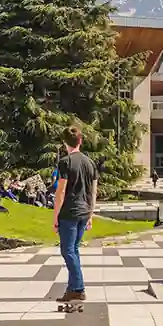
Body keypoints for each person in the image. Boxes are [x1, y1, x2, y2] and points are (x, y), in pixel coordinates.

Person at [53, 126, 99, 303]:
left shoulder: (65, 162)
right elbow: (94, 192)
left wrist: (55, 215)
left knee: (67, 250)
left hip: (70, 212)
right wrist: (91, 214)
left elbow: (61, 191)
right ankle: (72, 289)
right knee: (74, 249)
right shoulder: (90, 162)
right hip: (84, 211)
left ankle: (78, 287)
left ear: (65, 143)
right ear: (80, 141)